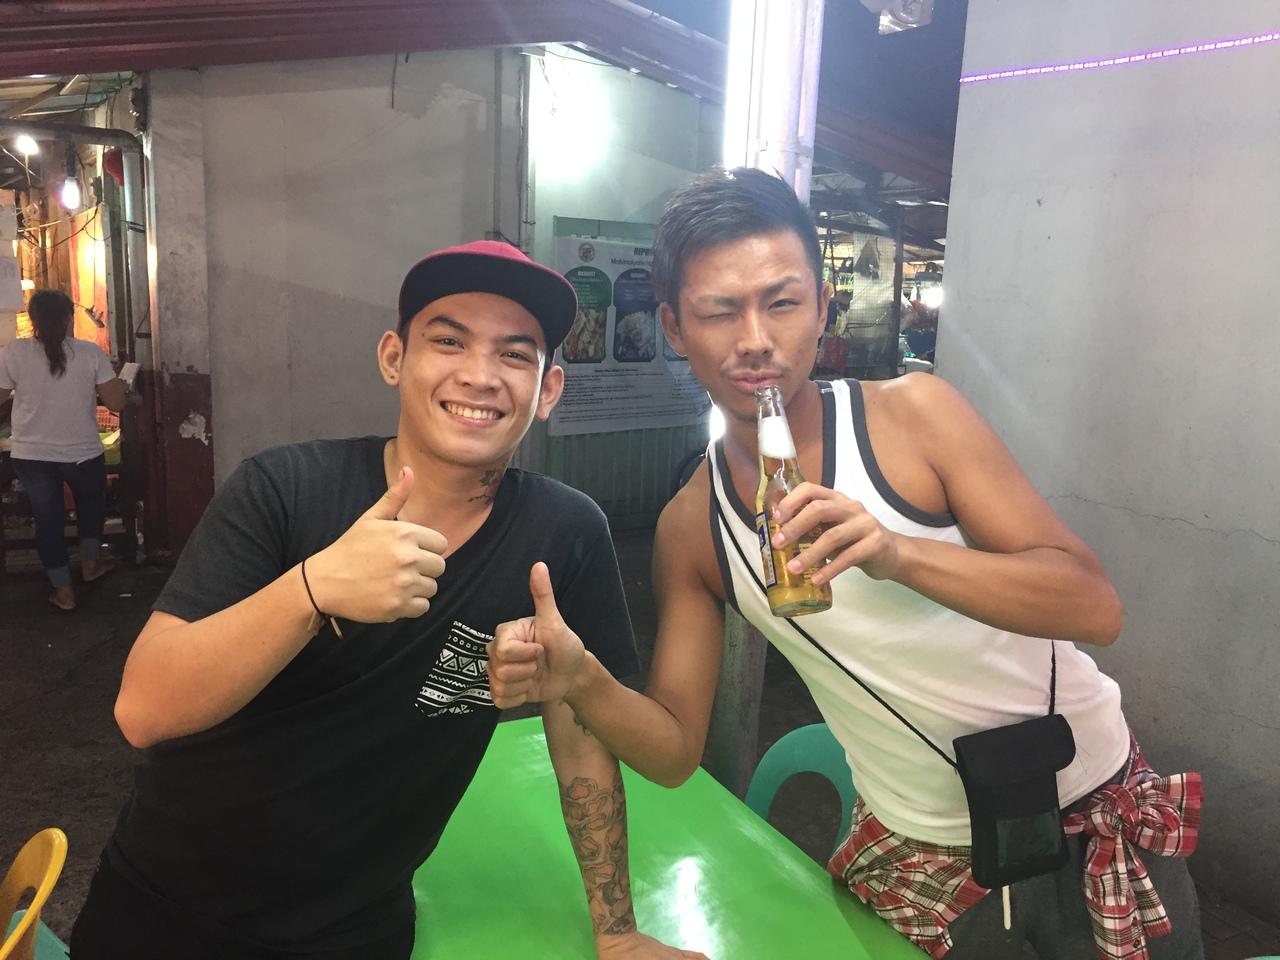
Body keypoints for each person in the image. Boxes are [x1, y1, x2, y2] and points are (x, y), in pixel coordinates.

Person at [487, 170, 1204, 960]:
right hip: (920, 856)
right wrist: (582, 682)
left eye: (782, 302)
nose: (755, 338)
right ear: (673, 327)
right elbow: (674, 751)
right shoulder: (693, 526)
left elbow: (1094, 606)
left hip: (1090, 809)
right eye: (720, 311)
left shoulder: (913, 417)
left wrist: (899, 553)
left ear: (824, 306)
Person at [70, 241, 705, 960]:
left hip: (357, 933)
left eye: (514, 354)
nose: (480, 375)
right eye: (448, 341)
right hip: (164, 910)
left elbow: (582, 742)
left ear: (548, 389)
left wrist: (617, 933)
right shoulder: (285, 489)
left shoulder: (564, 534)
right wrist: (313, 589)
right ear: (394, 358)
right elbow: (143, 710)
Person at [0, 289, 124, 611]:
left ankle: (63, 591)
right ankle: (91, 565)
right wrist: (121, 385)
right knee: (91, 509)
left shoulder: (13, 352)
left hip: (32, 455)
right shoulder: (90, 353)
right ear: (69, 318)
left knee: (48, 520)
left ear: (32, 319)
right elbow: (116, 403)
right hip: (83, 453)